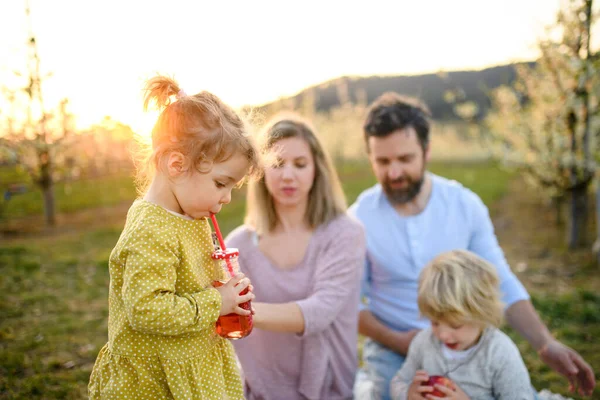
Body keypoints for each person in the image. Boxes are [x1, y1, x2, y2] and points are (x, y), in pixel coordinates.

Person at [351, 92, 596, 400]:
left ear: (426, 151)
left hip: (469, 342)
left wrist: (545, 343)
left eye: (405, 159)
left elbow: (502, 281)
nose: (394, 172)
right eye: (382, 161)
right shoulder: (358, 219)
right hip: (393, 348)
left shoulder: (464, 205)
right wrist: (403, 341)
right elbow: (348, 303)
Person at [88, 76, 260, 400]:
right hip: (156, 383)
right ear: (177, 165)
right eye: (221, 184)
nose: (226, 199)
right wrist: (216, 302)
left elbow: (187, 281)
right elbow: (146, 309)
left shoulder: (188, 214)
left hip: (192, 368)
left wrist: (227, 291)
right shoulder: (150, 231)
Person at [225, 112, 366, 400]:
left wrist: (242, 311)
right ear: (260, 172)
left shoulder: (344, 233)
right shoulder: (239, 245)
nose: (288, 174)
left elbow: (321, 310)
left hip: (330, 390)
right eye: (276, 164)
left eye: (300, 164)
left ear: (317, 170)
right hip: (262, 391)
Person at [390, 250, 534, 400]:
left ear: (482, 314)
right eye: (435, 323)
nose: (443, 335)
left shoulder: (499, 352)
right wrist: (407, 394)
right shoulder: (424, 342)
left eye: (455, 325)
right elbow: (399, 381)